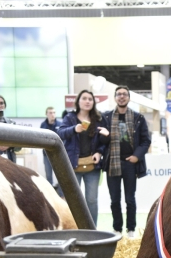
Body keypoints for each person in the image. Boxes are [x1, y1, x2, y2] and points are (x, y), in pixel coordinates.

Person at [102, 86, 151, 238]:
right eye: (119, 94)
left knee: (130, 199)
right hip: (112, 162)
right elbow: (101, 141)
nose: (122, 97)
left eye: (124, 94)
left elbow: (145, 140)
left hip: (130, 163)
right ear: (115, 98)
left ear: (129, 98)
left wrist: (137, 156)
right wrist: (105, 136)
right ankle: (117, 229)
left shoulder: (138, 118)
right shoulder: (106, 117)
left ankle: (131, 229)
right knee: (114, 199)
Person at [58, 90, 110, 225]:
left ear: (93, 103)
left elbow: (104, 142)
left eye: (90, 99)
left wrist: (99, 152)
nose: (87, 101)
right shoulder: (70, 118)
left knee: (92, 199)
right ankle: (73, 226)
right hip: (72, 165)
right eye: (84, 98)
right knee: (72, 199)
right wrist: (74, 129)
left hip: (92, 166)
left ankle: (92, 229)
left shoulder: (99, 119)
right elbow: (60, 134)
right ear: (78, 101)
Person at [40, 106, 63, 195]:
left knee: (61, 175)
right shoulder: (43, 125)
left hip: (58, 154)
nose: (52, 114)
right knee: (48, 176)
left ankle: (61, 195)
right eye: (50, 113)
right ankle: (51, 195)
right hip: (47, 154)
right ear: (46, 114)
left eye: (54, 112)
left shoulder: (60, 124)